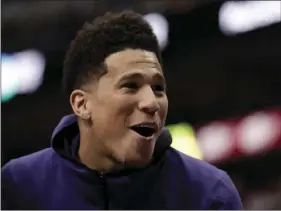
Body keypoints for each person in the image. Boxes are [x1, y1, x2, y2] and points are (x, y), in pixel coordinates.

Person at [1, 11, 243, 210]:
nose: (151, 102)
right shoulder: (18, 185)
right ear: (82, 105)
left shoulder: (210, 194)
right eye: (130, 85)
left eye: (158, 88)